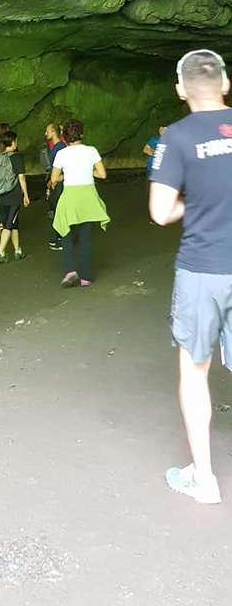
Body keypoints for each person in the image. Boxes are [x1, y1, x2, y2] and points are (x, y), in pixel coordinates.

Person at [149, 48, 232, 506]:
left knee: (195, 371)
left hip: (203, 270)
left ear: (180, 90)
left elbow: (160, 212)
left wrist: (195, 203)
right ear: (225, 83)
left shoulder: (177, 138)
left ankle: (204, 479)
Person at [50, 119, 109, 286]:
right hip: (88, 196)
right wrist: (88, 171)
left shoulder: (62, 154)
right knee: (85, 237)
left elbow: (54, 178)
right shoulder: (92, 151)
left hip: (70, 196)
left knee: (66, 233)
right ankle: (86, 277)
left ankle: (70, 271)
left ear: (65, 136)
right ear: (81, 134)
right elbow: (102, 174)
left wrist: (66, 175)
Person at [0, 130, 30, 262]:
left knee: (13, 223)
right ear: (13, 143)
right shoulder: (16, 157)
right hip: (13, 195)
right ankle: (0, 252)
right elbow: (21, 177)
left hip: (1, 194)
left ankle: (18, 250)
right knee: (8, 223)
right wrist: (26, 195)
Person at [43, 123, 67, 249]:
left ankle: (63, 238)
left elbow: (63, 167)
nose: (45, 133)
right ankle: (59, 236)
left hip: (60, 183)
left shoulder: (60, 148)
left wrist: (56, 179)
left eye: (47, 131)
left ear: (53, 132)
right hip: (56, 181)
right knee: (56, 209)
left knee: (60, 210)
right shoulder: (56, 147)